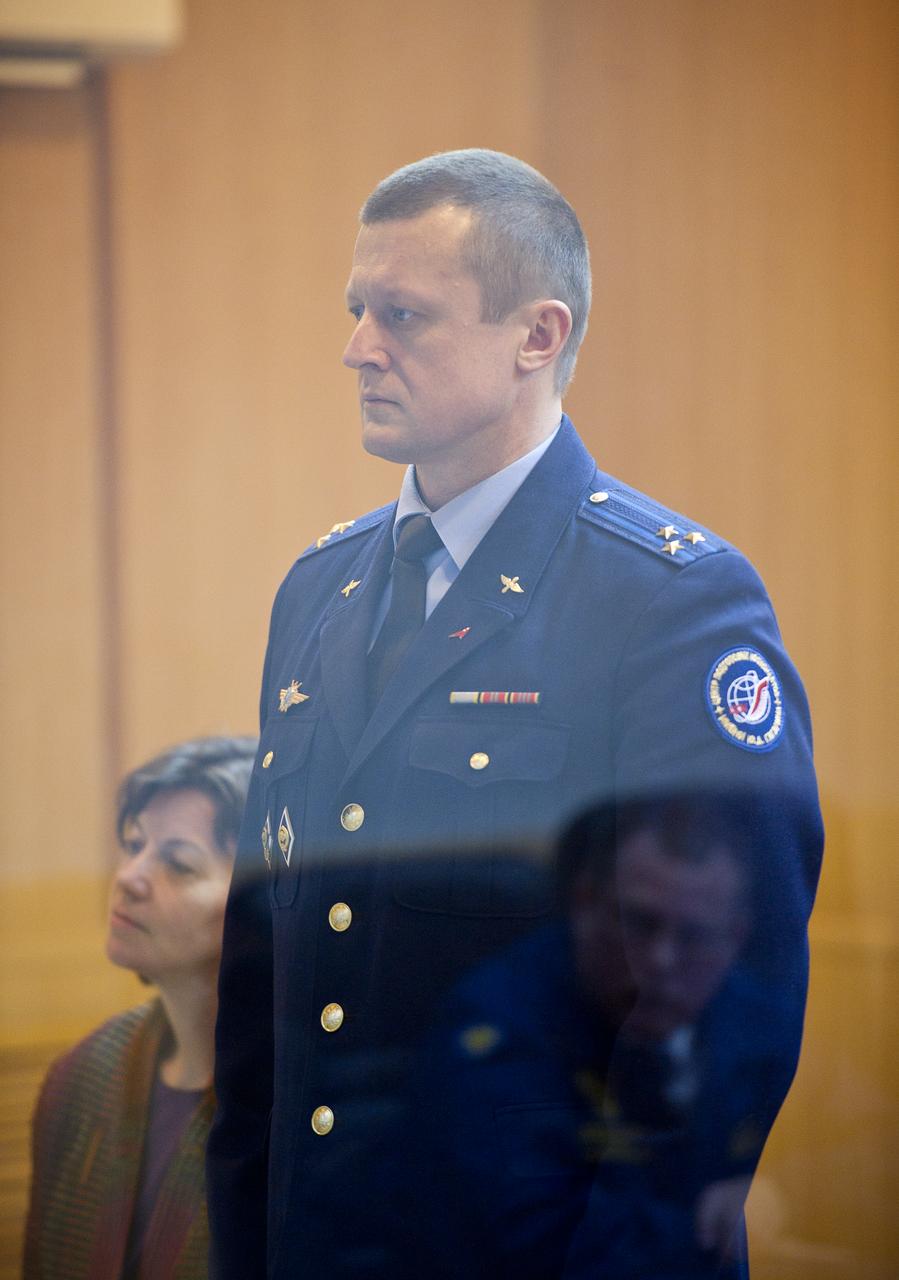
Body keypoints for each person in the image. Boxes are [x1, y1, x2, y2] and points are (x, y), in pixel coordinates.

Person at [208, 149, 823, 1278]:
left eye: (401, 314)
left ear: (535, 337)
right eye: (355, 309)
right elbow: (265, 982)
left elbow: (719, 1014)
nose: (354, 347)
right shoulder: (319, 588)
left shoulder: (669, 600)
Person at [24, 736, 256, 1280]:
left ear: (262, 905)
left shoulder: (291, 1102)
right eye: (134, 845)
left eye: (178, 864)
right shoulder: (83, 1073)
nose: (128, 877)